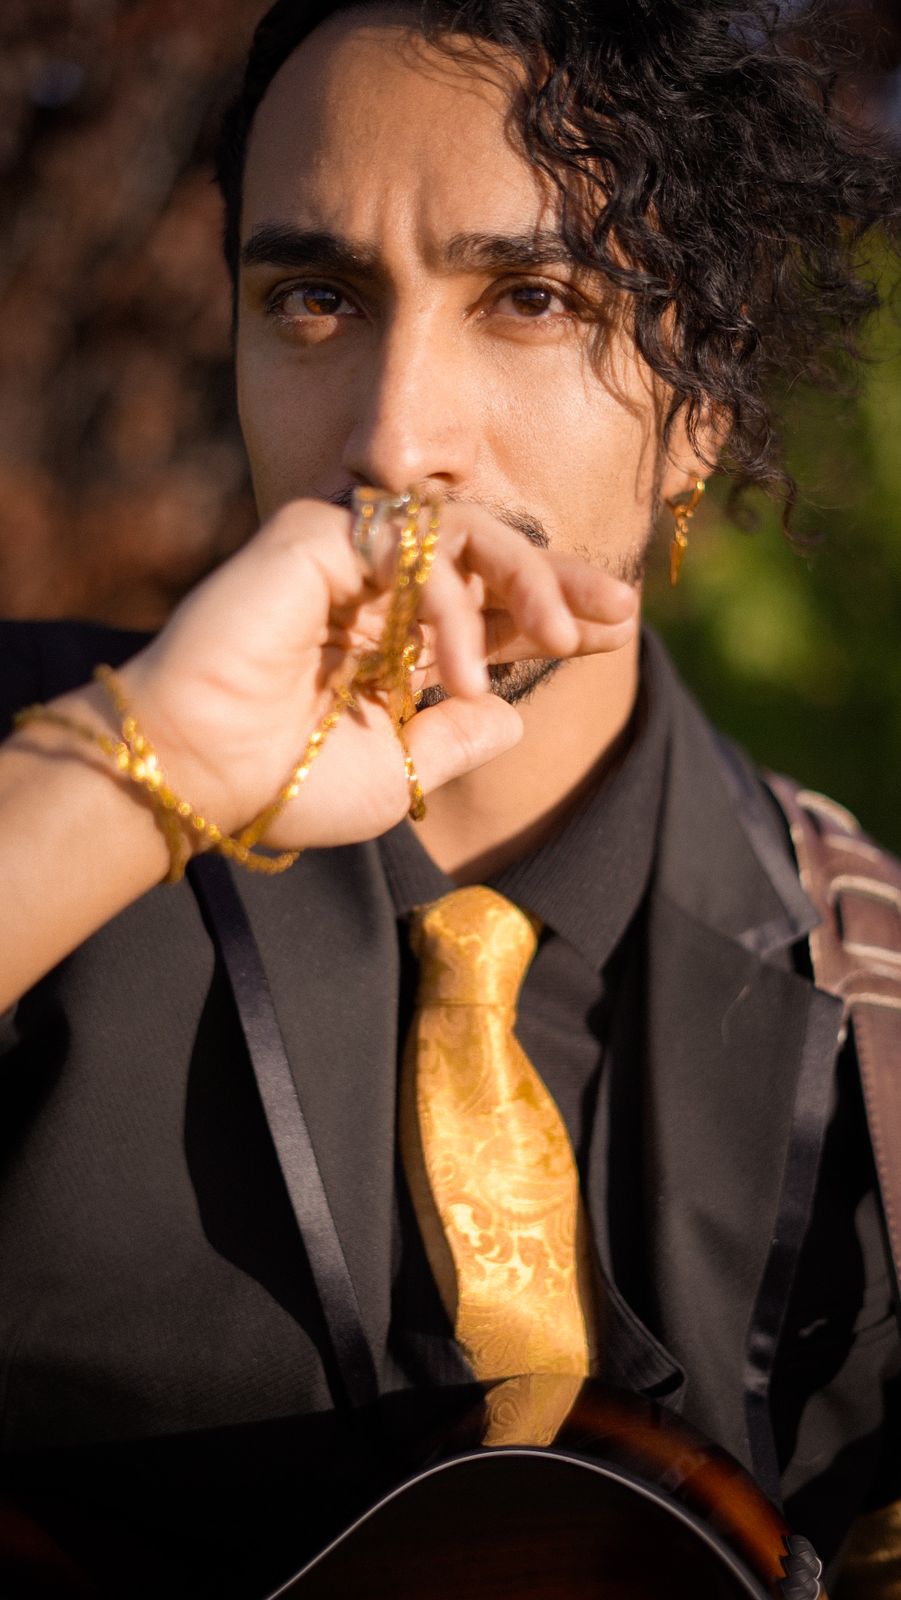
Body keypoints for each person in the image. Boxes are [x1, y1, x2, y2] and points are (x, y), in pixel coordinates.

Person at [0, 0, 899, 1595]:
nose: (392, 438)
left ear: (699, 402)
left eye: (532, 298)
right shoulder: (43, 779)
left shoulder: (877, 1009)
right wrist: (144, 783)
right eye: (314, 299)